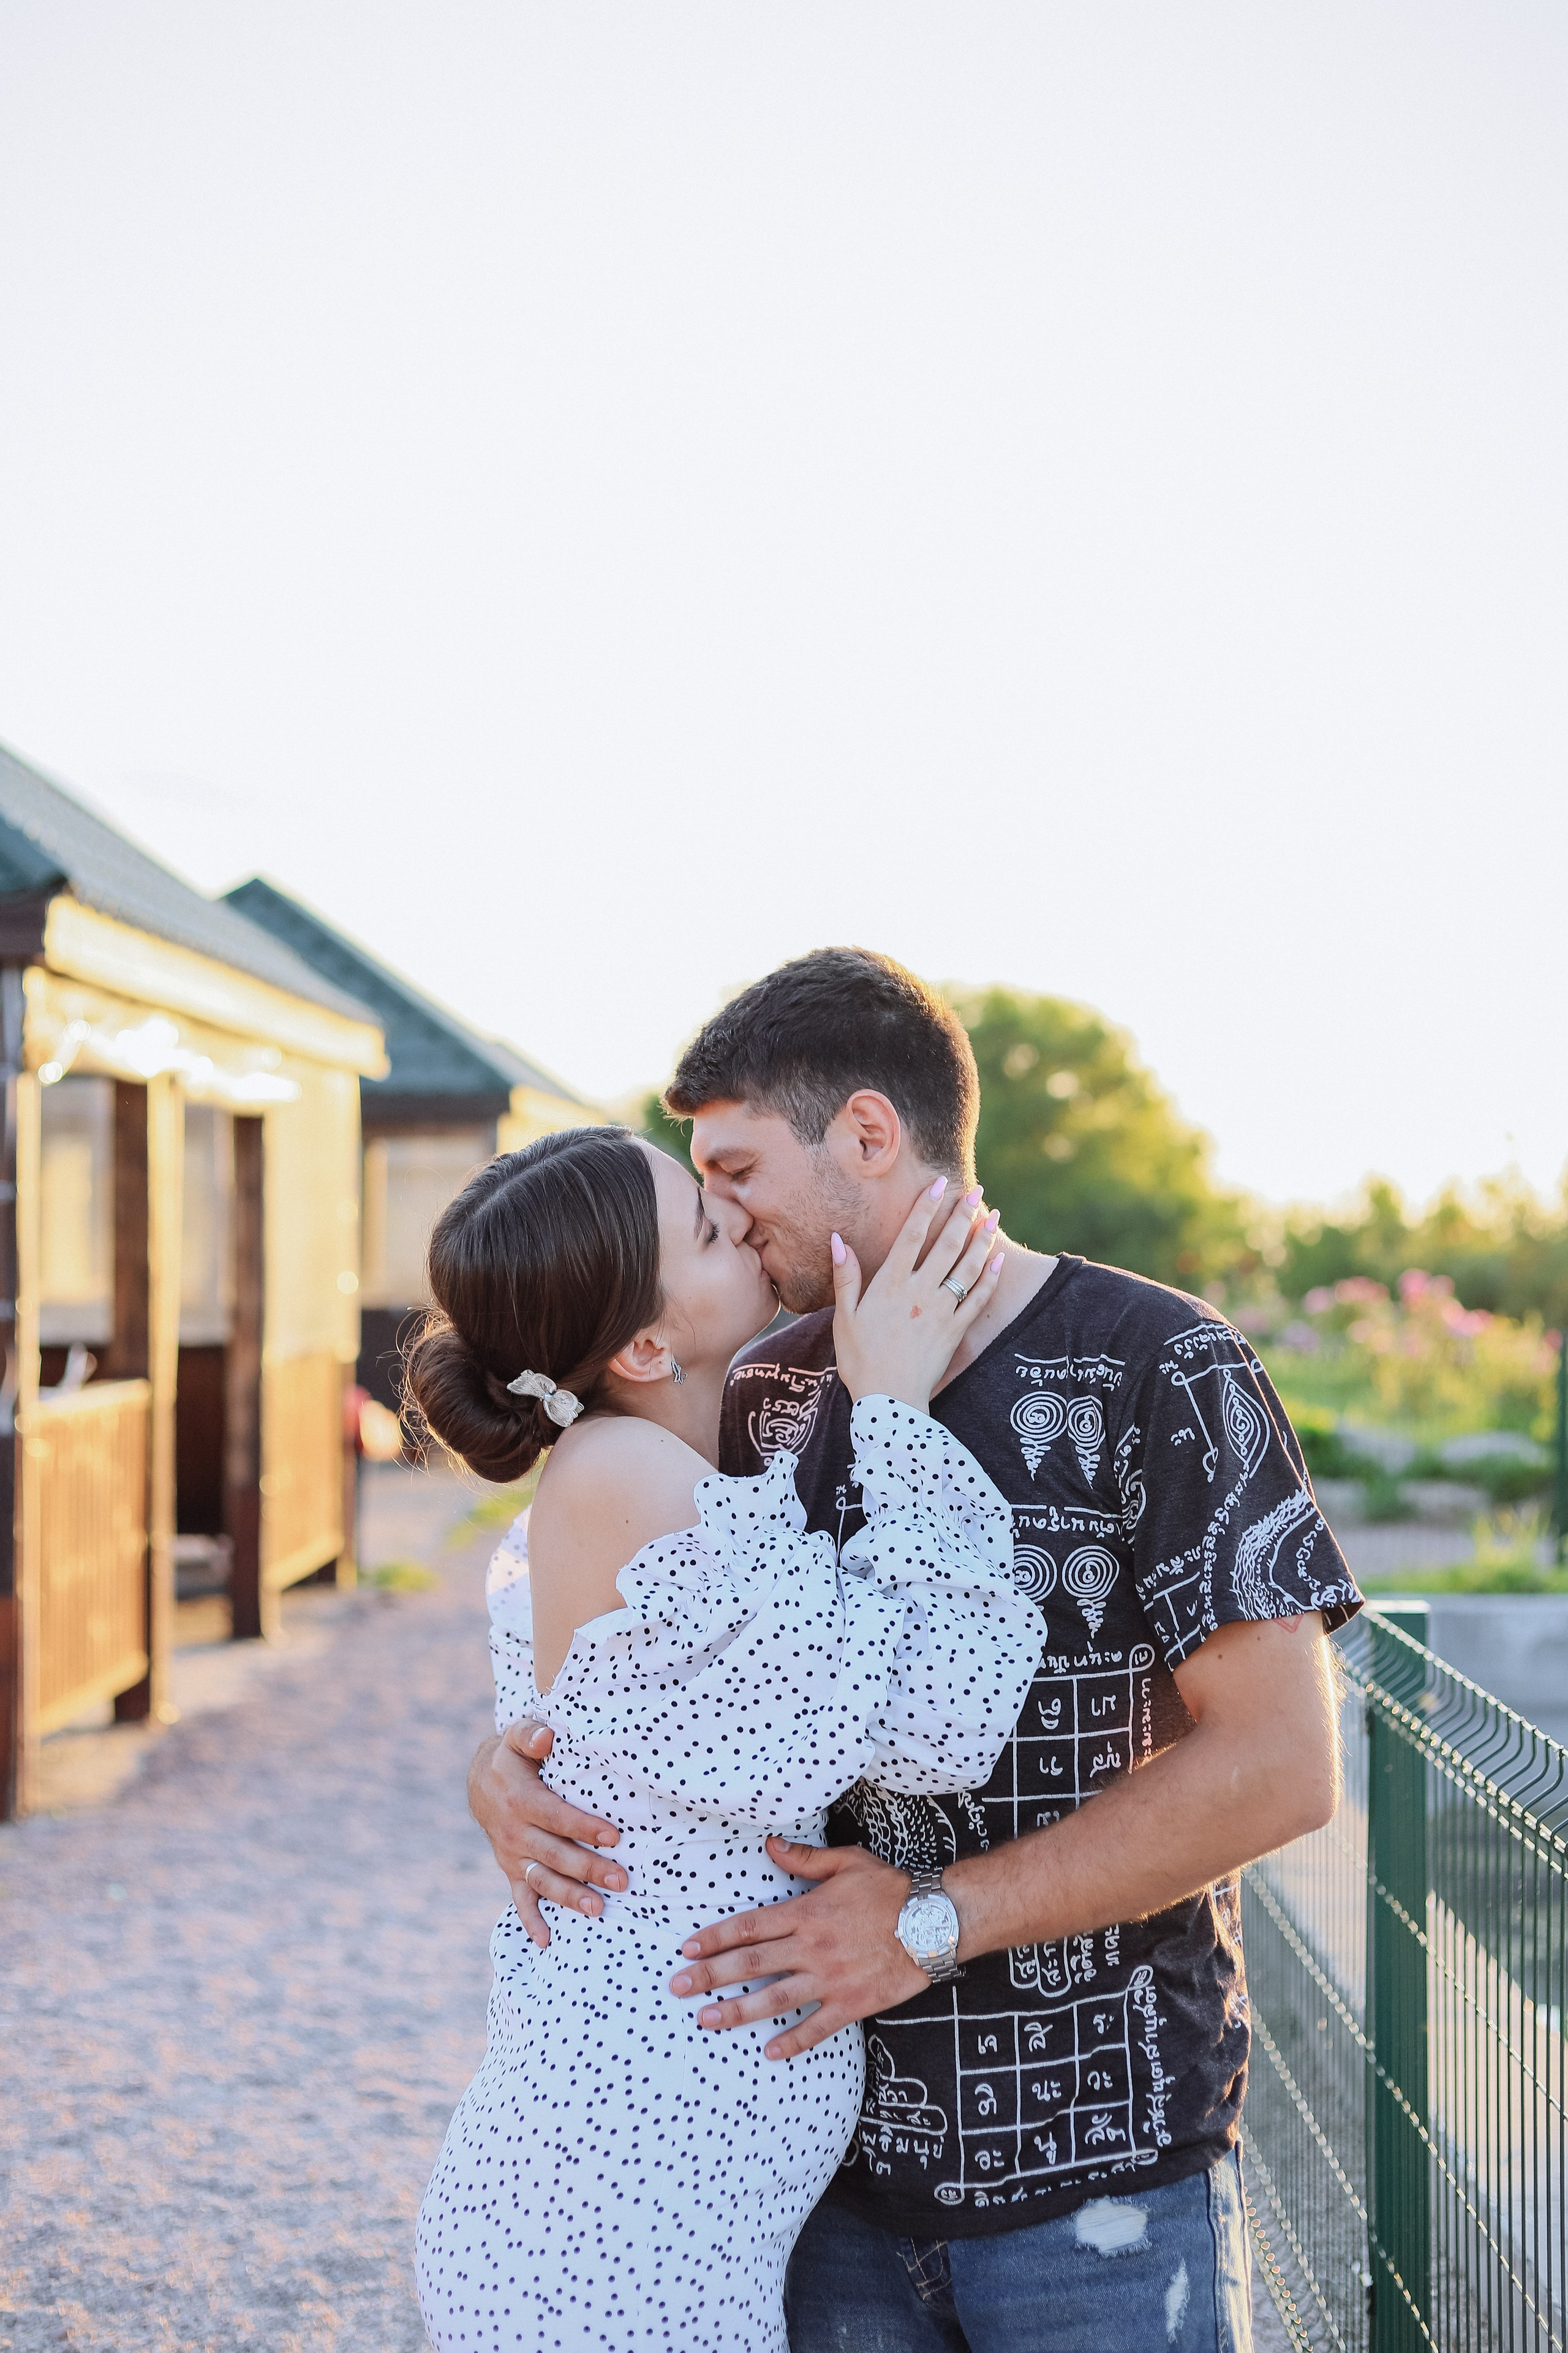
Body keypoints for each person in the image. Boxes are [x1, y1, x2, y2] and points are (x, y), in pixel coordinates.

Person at [472, 948, 1363, 2353]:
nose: (718, 1210)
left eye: (737, 1170)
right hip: (809, 2197)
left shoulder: (1162, 1366)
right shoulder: (751, 1394)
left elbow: (1277, 1772)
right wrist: (513, 1767)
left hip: (1092, 2181)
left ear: (869, 1136)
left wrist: (925, 1921)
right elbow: (637, 1660)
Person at [407, 1124, 1044, 2353]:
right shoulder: (621, 1472)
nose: (733, 1212)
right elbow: (935, 1721)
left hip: (646, 2213)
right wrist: (897, 1408)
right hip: (604, 2226)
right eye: (702, 1226)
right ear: (645, 1343)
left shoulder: (667, 1468)